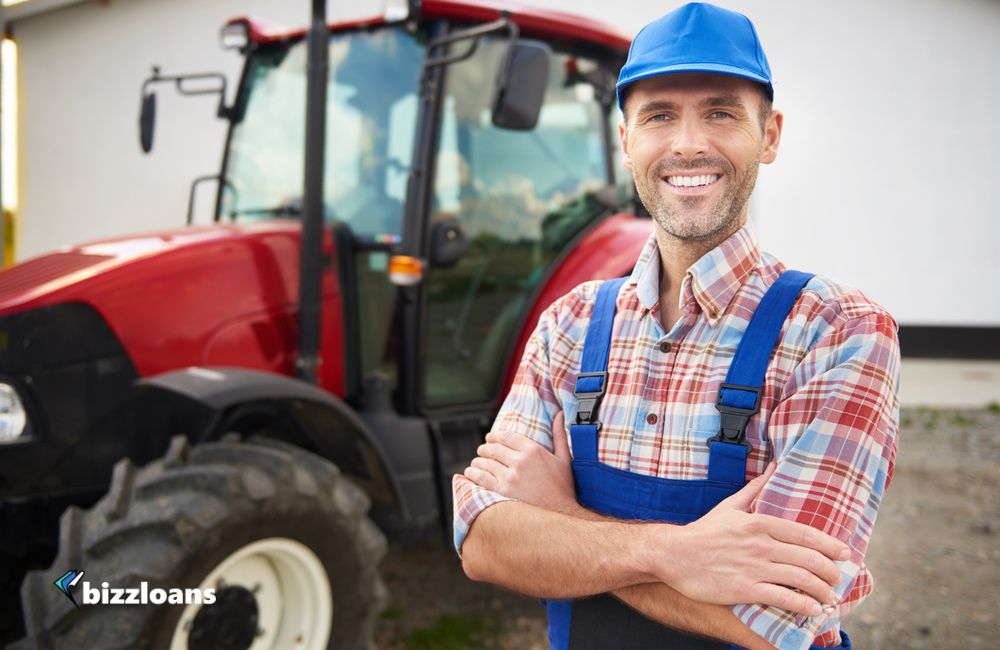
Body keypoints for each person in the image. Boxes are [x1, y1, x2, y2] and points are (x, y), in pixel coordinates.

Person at [452, 3, 900, 650]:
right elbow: (484, 545)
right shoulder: (569, 326)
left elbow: (784, 623)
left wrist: (559, 523)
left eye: (720, 112)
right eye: (659, 115)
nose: (688, 143)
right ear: (625, 141)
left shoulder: (838, 335)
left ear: (769, 135)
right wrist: (678, 555)